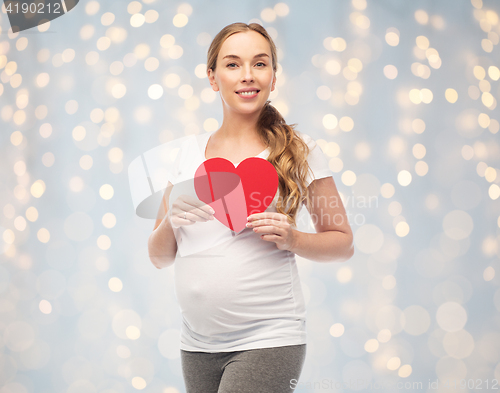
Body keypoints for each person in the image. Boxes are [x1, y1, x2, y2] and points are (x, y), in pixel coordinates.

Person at [148, 22, 354, 393]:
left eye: (259, 64)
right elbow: (159, 257)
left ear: (274, 78)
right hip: (196, 344)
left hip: (270, 338)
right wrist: (169, 224)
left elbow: (342, 242)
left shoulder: (300, 151)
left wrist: (293, 238)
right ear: (212, 78)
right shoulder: (183, 155)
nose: (247, 75)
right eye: (232, 64)